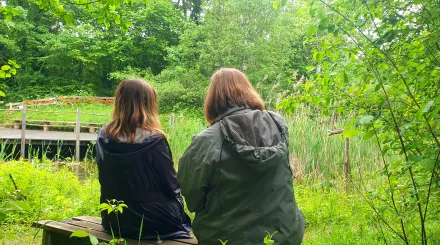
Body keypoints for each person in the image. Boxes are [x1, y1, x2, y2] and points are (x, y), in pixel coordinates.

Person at [178, 68, 305, 245]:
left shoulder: (205, 141)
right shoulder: (278, 124)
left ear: (213, 100)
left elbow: (193, 199)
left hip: (226, 239)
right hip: (285, 235)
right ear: (248, 91)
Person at [95, 78, 191, 240]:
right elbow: (171, 186)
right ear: (148, 104)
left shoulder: (103, 136)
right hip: (154, 221)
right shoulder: (155, 139)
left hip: (114, 218)